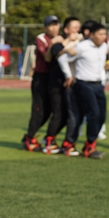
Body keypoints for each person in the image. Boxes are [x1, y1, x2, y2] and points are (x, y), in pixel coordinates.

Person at [62, 22, 108, 159]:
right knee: (94, 114)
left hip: (99, 85)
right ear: (92, 35)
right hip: (84, 84)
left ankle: (90, 144)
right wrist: (69, 75)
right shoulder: (82, 47)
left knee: (102, 116)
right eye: (100, 34)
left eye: (105, 34)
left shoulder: (104, 47)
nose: (103, 37)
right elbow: (63, 58)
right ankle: (90, 147)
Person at [42, 17, 81, 154]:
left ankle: (51, 138)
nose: (77, 30)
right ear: (66, 29)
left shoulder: (80, 42)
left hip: (71, 84)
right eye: (74, 27)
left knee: (67, 115)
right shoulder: (58, 41)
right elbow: (58, 54)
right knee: (58, 113)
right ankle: (49, 142)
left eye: (78, 27)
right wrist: (70, 42)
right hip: (56, 83)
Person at [22, 15, 59, 151]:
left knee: (49, 111)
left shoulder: (59, 38)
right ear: (45, 27)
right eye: (51, 25)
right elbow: (47, 57)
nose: (54, 28)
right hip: (41, 78)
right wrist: (55, 44)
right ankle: (29, 139)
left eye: (56, 24)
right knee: (39, 110)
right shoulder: (41, 39)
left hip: (52, 78)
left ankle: (30, 135)